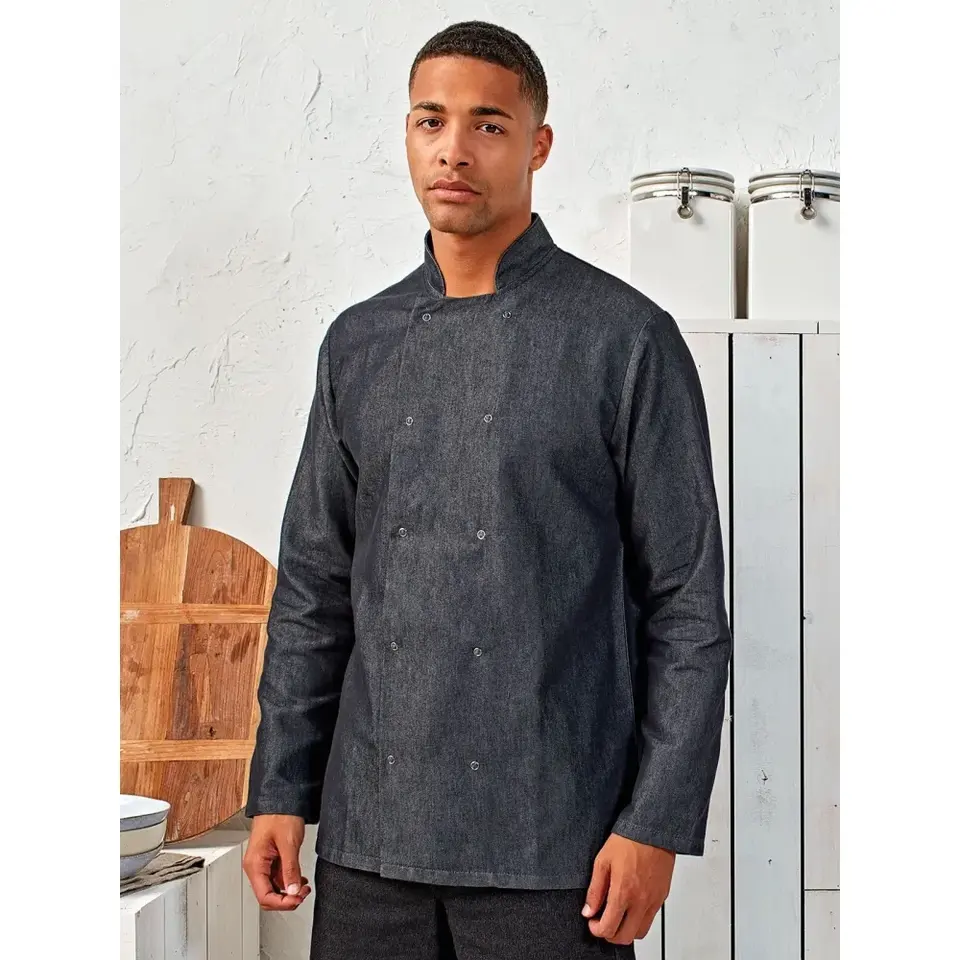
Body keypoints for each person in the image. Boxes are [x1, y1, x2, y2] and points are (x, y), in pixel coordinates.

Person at [241, 19, 731, 960]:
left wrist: (656, 823)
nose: (454, 150)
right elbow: (313, 589)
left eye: (488, 125)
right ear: (408, 135)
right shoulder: (358, 343)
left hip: (557, 846)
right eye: (431, 121)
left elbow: (686, 605)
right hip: (369, 843)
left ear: (538, 145)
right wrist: (280, 790)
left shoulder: (625, 339)